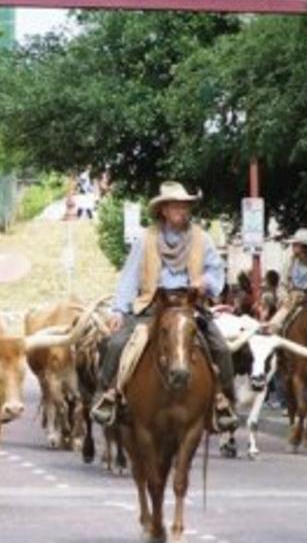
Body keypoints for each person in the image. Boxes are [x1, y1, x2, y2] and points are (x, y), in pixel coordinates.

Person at [90, 181, 237, 432]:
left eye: (185, 206)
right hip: (153, 305)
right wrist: (118, 310)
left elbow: (216, 270)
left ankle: (223, 401)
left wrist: (206, 281)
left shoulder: (202, 239)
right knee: (114, 344)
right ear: (164, 210)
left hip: (190, 306)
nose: (183, 210)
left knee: (221, 349)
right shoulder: (146, 239)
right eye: (177, 206)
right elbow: (129, 277)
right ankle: (108, 394)